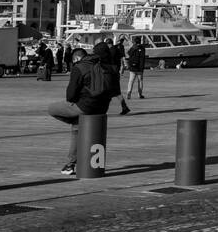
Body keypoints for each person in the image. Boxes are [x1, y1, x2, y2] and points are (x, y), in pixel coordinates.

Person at [48, 41, 119, 176]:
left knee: (51, 109)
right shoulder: (112, 68)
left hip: (84, 107)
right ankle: (70, 163)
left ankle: (70, 164)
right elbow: (115, 91)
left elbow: (70, 95)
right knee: (76, 127)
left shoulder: (80, 67)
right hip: (103, 108)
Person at [123, 35, 146, 111]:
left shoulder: (133, 47)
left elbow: (128, 53)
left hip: (132, 67)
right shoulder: (142, 48)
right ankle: (140, 94)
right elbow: (142, 59)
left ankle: (129, 93)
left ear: (135, 41)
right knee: (140, 81)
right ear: (140, 41)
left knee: (131, 81)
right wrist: (142, 68)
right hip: (139, 68)